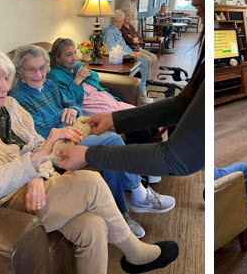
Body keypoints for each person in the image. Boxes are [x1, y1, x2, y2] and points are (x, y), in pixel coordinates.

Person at [0, 47, 177, 274]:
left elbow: (37, 146)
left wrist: (35, 175)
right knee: (91, 182)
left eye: (5, 79)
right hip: (4, 204)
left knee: (93, 225)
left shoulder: (10, 106)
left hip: (37, 187)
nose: (4, 87)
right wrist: (32, 167)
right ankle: (136, 254)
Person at [55, 0, 205, 178]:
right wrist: (115, 119)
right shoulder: (55, 78)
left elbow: (177, 158)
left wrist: (90, 155)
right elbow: (183, 104)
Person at [10, 45, 175, 239]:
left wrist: (73, 110)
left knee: (107, 153)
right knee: (111, 140)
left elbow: (72, 103)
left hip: (72, 134)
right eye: (31, 69)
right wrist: (64, 129)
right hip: (54, 151)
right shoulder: (18, 101)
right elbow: (36, 138)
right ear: (20, 71)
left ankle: (125, 210)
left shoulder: (49, 85)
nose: (39, 74)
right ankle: (138, 196)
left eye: (42, 68)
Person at [104, 9, 153, 103]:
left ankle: (140, 90)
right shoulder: (110, 32)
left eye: (120, 21)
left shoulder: (116, 31)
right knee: (143, 62)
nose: (119, 24)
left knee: (143, 61)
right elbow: (112, 50)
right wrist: (130, 54)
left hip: (127, 55)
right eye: (116, 21)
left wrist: (133, 53)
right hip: (118, 59)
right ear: (111, 22)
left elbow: (124, 46)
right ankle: (142, 92)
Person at [120, 9, 160, 75]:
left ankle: (143, 74)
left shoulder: (131, 26)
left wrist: (135, 39)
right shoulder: (122, 28)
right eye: (127, 15)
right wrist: (133, 39)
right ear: (123, 17)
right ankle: (146, 79)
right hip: (132, 49)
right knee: (148, 60)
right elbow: (129, 40)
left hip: (138, 47)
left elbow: (140, 38)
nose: (130, 17)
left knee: (154, 58)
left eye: (131, 15)